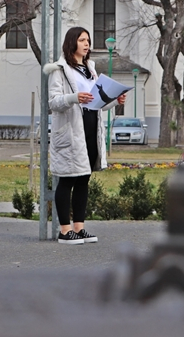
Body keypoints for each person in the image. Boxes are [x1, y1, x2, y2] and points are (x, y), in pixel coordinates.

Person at [44, 27, 126, 244]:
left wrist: (114, 101)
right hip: (71, 130)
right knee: (67, 179)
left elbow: (97, 103)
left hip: (90, 128)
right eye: (82, 40)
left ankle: (79, 228)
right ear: (72, 42)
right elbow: (53, 102)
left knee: (83, 178)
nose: (86, 44)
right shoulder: (58, 70)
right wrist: (74, 97)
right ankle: (64, 230)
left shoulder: (90, 68)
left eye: (88, 40)